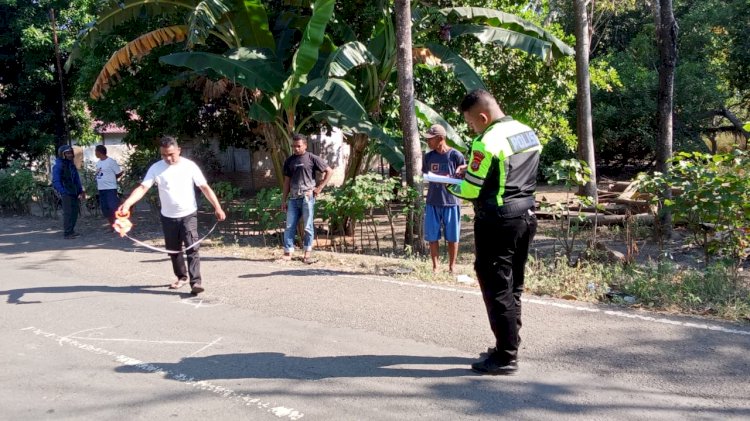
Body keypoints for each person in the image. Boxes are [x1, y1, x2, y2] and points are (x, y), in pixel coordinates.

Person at [448, 89, 541, 375]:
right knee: (513, 286)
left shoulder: (485, 141)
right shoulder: (527, 132)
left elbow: (471, 189)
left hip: (497, 221)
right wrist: (473, 172)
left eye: (472, 123)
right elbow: (505, 173)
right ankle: (509, 343)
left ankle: (505, 356)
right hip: (526, 216)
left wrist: (449, 183)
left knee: (496, 286)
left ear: (483, 117)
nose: (472, 128)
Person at [118, 136, 226, 296]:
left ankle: (196, 282)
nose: (168, 158)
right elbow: (142, 188)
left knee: (192, 247)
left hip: (188, 214)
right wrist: (127, 204)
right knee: (173, 250)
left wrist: (217, 207)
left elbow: (204, 187)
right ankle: (181, 277)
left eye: (171, 154)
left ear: (178, 150)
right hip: (168, 216)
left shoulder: (190, 166)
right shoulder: (156, 168)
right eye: (164, 155)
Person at [421, 124, 466, 274]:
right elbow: (425, 174)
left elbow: (464, 176)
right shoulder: (428, 157)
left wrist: (455, 176)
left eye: (431, 139)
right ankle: (435, 267)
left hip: (452, 201)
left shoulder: (456, 156)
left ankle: (452, 267)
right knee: (432, 236)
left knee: (452, 236)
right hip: (433, 201)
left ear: (440, 139)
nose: (428, 142)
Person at [281, 133, 333, 263]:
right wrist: (283, 200)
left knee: (308, 227)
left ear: (305, 145)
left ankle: (307, 254)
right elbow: (287, 181)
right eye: (294, 146)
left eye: (298, 146)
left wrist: (319, 188)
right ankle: (288, 253)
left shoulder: (312, 158)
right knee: (289, 226)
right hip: (293, 198)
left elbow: (329, 171)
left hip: (307, 197)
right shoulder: (289, 161)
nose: (296, 148)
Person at [52, 145, 85, 239]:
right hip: (66, 192)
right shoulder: (58, 166)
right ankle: (67, 233)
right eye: (67, 153)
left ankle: (71, 230)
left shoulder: (71, 165)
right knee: (68, 213)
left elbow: (76, 179)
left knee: (74, 212)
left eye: (71, 152)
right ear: (62, 154)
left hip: (74, 192)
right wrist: (63, 191)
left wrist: (80, 190)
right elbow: (56, 181)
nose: (70, 155)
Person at [94, 145, 123, 228]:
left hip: (110, 188)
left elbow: (119, 173)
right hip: (101, 188)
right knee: (105, 208)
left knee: (113, 207)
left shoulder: (111, 161)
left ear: (99, 152)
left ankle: (119, 225)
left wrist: (112, 179)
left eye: (96, 151)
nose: (95, 153)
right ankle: (112, 226)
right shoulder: (99, 163)